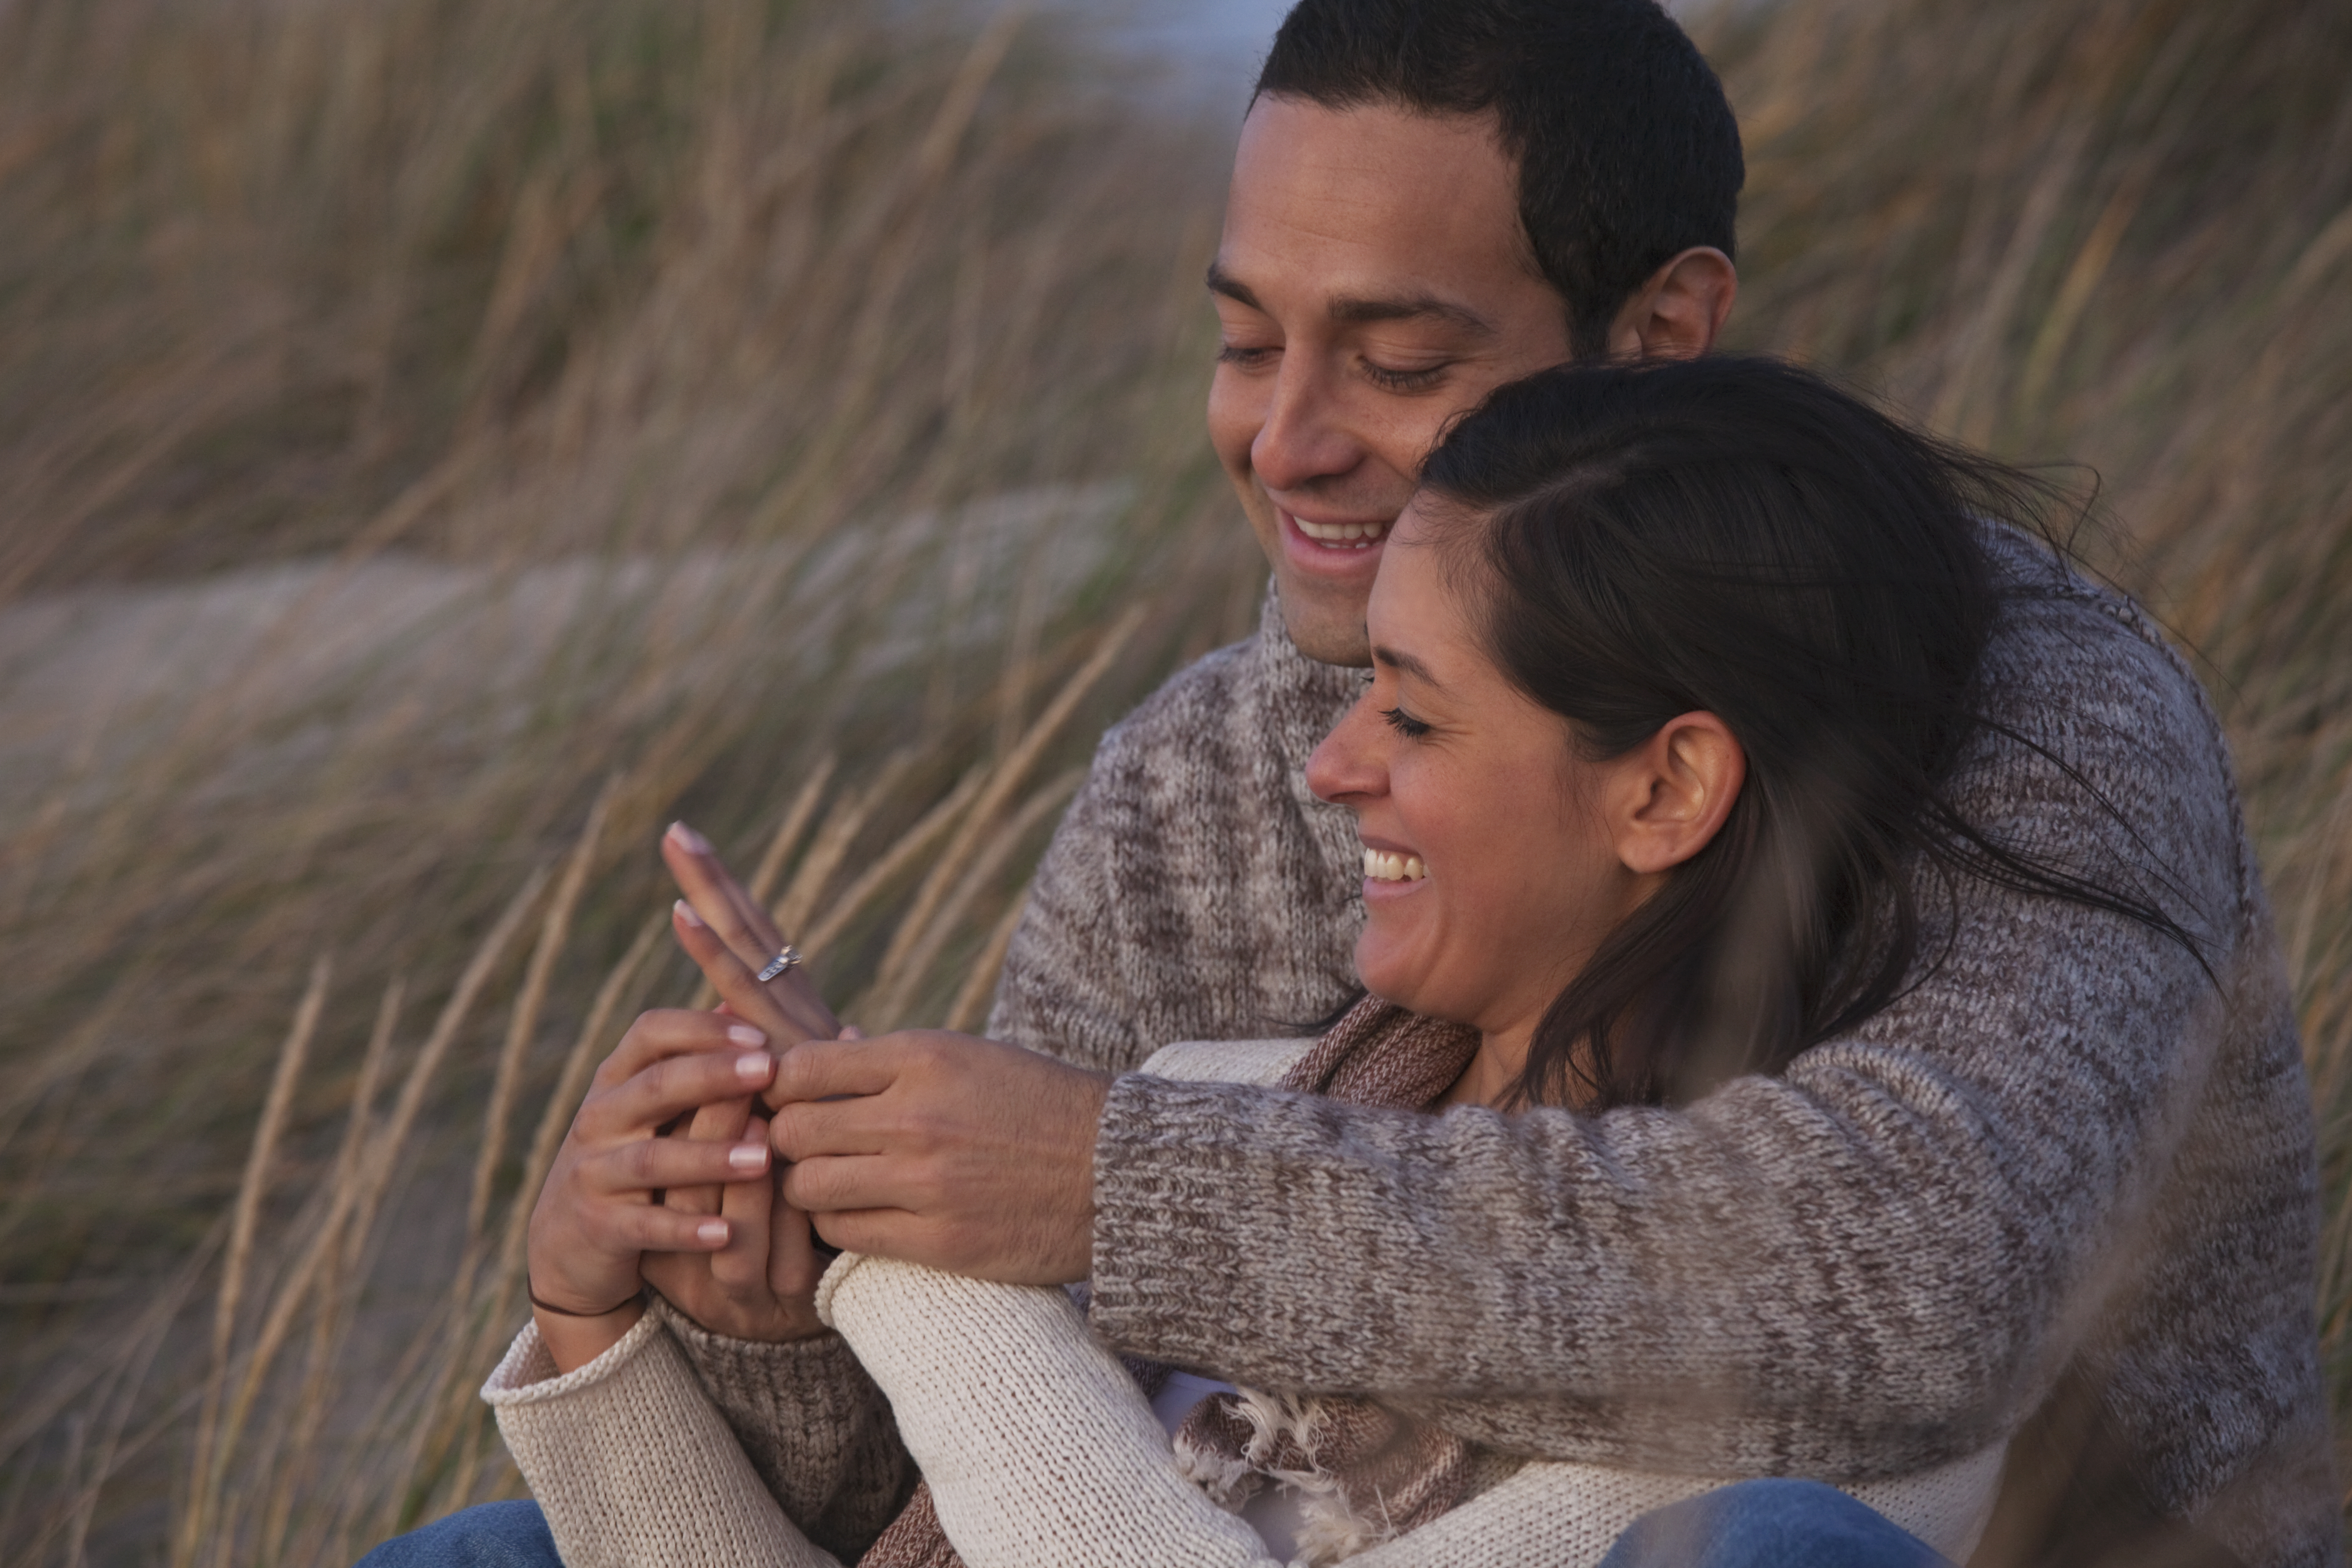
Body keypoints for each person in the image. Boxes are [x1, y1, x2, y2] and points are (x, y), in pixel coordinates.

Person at [365, 0, 2335, 1563]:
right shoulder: (1205, 771)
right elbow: (942, 1497)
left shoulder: (2017, 700)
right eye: (1242, 341)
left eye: (1394, 359)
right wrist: (754, 1301)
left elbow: (1913, 1289)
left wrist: (1094, 1191)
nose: (1285, 440)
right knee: (484, 1554)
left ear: (1659, 332)